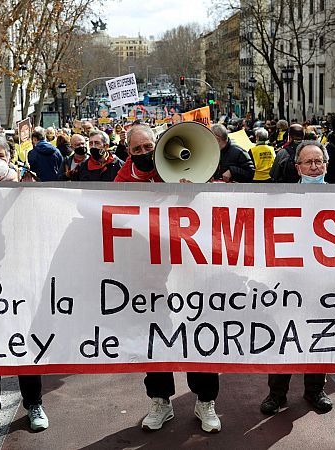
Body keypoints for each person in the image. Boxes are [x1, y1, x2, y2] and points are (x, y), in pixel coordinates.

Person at [114, 124, 221, 432]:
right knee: (154, 336)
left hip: (191, 271)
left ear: (159, 145)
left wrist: (195, 189)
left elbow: (214, 208)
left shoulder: (184, 169)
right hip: (149, 274)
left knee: (199, 333)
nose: (145, 153)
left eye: (150, 147)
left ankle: (205, 401)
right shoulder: (122, 181)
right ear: (129, 153)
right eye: (138, 150)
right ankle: (161, 400)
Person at [0, 133, 47, 437]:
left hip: (20, 278)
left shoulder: (26, 186)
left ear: (9, 157)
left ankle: (34, 404)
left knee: (25, 342)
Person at [261, 140, 334, 416]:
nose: (314, 167)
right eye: (309, 162)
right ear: (297, 167)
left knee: (319, 334)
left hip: (322, 280)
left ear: (326, 165)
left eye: (319, 162)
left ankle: (315, 390)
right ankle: (276, 395)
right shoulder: (282, 196)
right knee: (283, 335)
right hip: (288, 279)